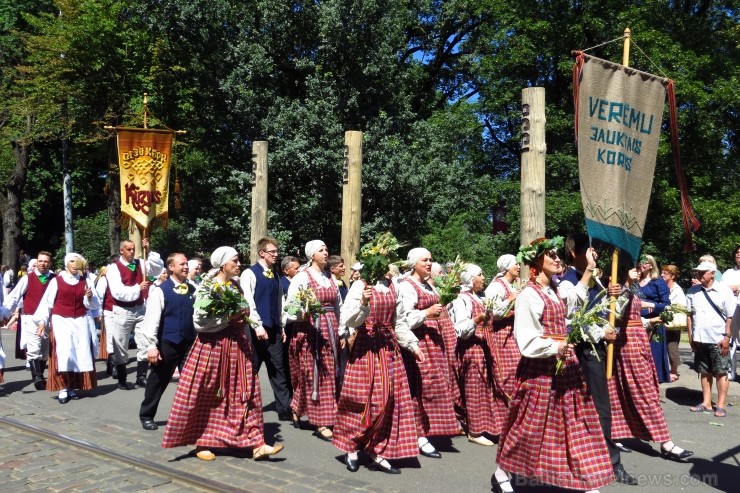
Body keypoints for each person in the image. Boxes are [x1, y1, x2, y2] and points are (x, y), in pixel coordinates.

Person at [494, 237, 614, 493]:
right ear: (537, 261)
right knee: (528, 426)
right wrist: (554, 347)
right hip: (540, 369)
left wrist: (590, 267)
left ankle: (584, 479)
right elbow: (525, 339)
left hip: (566, 366)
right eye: (551, 255)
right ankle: (502, 470)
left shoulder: (557, 290)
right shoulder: (528, 294)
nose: (558, 259)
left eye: (558, 255)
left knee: (575, 420)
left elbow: (576, 299)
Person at [162, 247, 283, 461]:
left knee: (247, 391)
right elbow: (199, 323)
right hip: (213, 346)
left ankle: (256, 443)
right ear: (223, 264)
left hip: (237, 345)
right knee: (209, 393)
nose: (238, 264)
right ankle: (203, 441)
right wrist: (228, 317)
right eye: (235, 261)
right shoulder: (208, 288)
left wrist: (254, 324)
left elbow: (246, 310)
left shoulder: (235, 284)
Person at [558, 234, 634, 483]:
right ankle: (600, 461)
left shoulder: (599, 281)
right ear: (575, 253)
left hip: (598, 349)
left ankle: (609, 462)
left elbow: (612, 313)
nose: (596, 254)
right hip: (581, 351)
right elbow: (573, 320)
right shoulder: (568, 282)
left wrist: (618, 294)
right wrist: (602, 332)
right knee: (587, 408)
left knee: (601, 407)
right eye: (590, 250)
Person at [334, 265, 418, 474]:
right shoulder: (359, 286)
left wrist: (413, 345)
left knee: (390, 399)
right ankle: (351, 447)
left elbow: (399, 322)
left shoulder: (393, 286)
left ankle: (378, 450)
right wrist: (363, 303)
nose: (392, 267)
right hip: (367, 348)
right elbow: (349, 320)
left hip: (389, 347)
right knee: (361, 399)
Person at [606, 264, 693, 461]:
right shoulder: (616, 290)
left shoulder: (629, 289)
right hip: (628, 346)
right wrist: (621, 288)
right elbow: (615, 315)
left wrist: (650, 321)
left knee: (642, 390)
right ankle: (665, 441)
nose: (637, 271)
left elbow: (633, 317)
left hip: (637, 341)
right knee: (640, 391)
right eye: (633, 268)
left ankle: (617, 435)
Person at [395, 248, 460, 459]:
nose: (430, 263)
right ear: (414, 263)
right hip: (418, 341)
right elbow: (403, 319)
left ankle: (430, 429)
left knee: (435, 385)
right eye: (425, 260)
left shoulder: (427, 285)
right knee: (420, 387)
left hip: (433, 342)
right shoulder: (407, 286)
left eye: (431, 260)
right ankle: (418, 434)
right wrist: (427, 312)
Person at [285, 240, 342, 441]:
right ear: (312, 255)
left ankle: (298, 408)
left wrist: (342, 331)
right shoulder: (302, 277)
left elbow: (338, 306)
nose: (326, 252)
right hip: (310, 331)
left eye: (327, 249)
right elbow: (290, 309)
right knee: (314, 375)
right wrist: (305, 311)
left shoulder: (330, 278)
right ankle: (322, 422)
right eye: (321, 250)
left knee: (327, 374)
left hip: (330, 332)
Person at [138, 253, 196, 431]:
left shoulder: (193, 288)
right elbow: (151, 321)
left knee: (191, 383)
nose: (185, 267)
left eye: (187, 264)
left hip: (189, 343)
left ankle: (188, 417)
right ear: (171, 267)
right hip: (167, 342)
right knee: (158, 381)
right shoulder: (160, 291)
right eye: (182, 264)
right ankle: (147, 415)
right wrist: (151, 347)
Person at [33, 253, 100, 404]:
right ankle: (63, 387)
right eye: (71, 261)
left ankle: (72, 386)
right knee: (64, 354)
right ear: (66, 264)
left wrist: (89, 297)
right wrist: (42, 322)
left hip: (80, 321)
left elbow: (94, 305)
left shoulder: (86, 280)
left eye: (77, 261)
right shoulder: (57, 281)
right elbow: (46, 303)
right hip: (61, 320)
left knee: (78, 354)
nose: (74, 264)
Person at [449, 264, 502, 446]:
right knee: (474, 388)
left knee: (483, 388)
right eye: (480, 274)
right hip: (471, 348)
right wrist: (478, 319)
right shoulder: (461, 299)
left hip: (482, 345)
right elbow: (462, 329)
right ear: (470, 279)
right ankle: (475, 430)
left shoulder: (478, 297)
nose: (483, 277)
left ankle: (480, 425)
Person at [240, 237, 292, 422]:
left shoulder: (276, 275)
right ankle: (244, 406)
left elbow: (280, 302)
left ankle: (284, 408)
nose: (276, 255)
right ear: (262, 253)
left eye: (277, 252)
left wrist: (282, 326)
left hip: (275, 330)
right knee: (251, 369)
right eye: (272, 252)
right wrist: (257, 326)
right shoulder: (250, 273)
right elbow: (248, 302)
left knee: (278, 368)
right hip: (256, 331)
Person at [686, 261, 735, 418]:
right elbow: (689, 315)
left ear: (712, 273)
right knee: (704, 371)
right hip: (700, 339)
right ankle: (706, 402)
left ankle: (720, 405)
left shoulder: (724, 291)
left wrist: (727, 337)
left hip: (718, 339)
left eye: (703, 272)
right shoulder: (692, 291)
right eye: (698, 272)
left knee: (721, 372)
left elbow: (730, 316)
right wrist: (690, 337)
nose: (699, 275)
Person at [3, 251, 56, 390]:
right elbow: (14, 297)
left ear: (50, 263)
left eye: (45, 261)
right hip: (31, 317)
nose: (43, 264)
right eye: (40, 261)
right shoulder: (28, 278)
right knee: (34, 348)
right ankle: (37, 378)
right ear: (36, 262)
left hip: (49, 318)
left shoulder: (55, 279)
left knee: (45, 351)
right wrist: (5, 314)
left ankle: (40, 373)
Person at [482, 254, 521, 426]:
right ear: (506, 268)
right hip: (501, 334)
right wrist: (510, 300)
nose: (519, 267)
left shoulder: (512, 285)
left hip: (513, 333)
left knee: (517, 370)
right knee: (506, 372)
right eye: (516, 264)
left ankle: (515, 414)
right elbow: (492, 313)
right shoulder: (495, 287)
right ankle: (505, 416)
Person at [105, 239, 150, 389]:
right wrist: (138, 288)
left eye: (133, 249)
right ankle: (122, 378)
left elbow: (156, 268)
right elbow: (118, 292)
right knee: (120, 345)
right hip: (123, 309)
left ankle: (141, 376)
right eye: (128, 249)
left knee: (144, 341)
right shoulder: (113, 268)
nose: (131, 252)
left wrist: (147, 250)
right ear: (121, 251)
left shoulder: (140, 263)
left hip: (140, 308)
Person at [634, 254, 671, 383]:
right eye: (640, 262)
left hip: (654, 324)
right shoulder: (635, 282)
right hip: (636, 323)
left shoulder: (658, 281)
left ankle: (654, 385)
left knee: (653, 356)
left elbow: (667, 305)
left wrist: (649, 304)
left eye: (645, 263)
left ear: (651, 265)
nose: (641, 265)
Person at [661, 264, 687, 382]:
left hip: (673, 323)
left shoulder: (677, 290)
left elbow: (680, 306)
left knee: (672, 347)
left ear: (672, 276)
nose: (662, 275)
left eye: (665, 273)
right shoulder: (661, 286)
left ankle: (674, 371)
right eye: (662, 272)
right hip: (660, 321)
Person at [721, 245, 740, 381]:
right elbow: (723, 289)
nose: (739, 254)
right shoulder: (728, 273)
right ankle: (730, 371)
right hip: (731, 310)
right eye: (737, 252)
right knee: (731, 341)